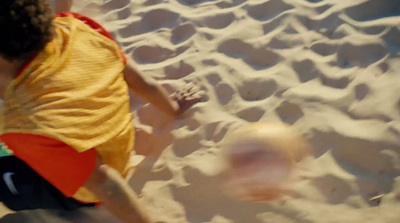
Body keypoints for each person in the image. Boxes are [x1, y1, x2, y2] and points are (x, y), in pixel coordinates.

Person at [0, 0, 200, 223]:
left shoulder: (24, 124)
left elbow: (103, 182)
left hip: (90, 188)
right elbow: (143, 82)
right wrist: (172, 108)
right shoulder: (80, 28)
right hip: (118, 148)